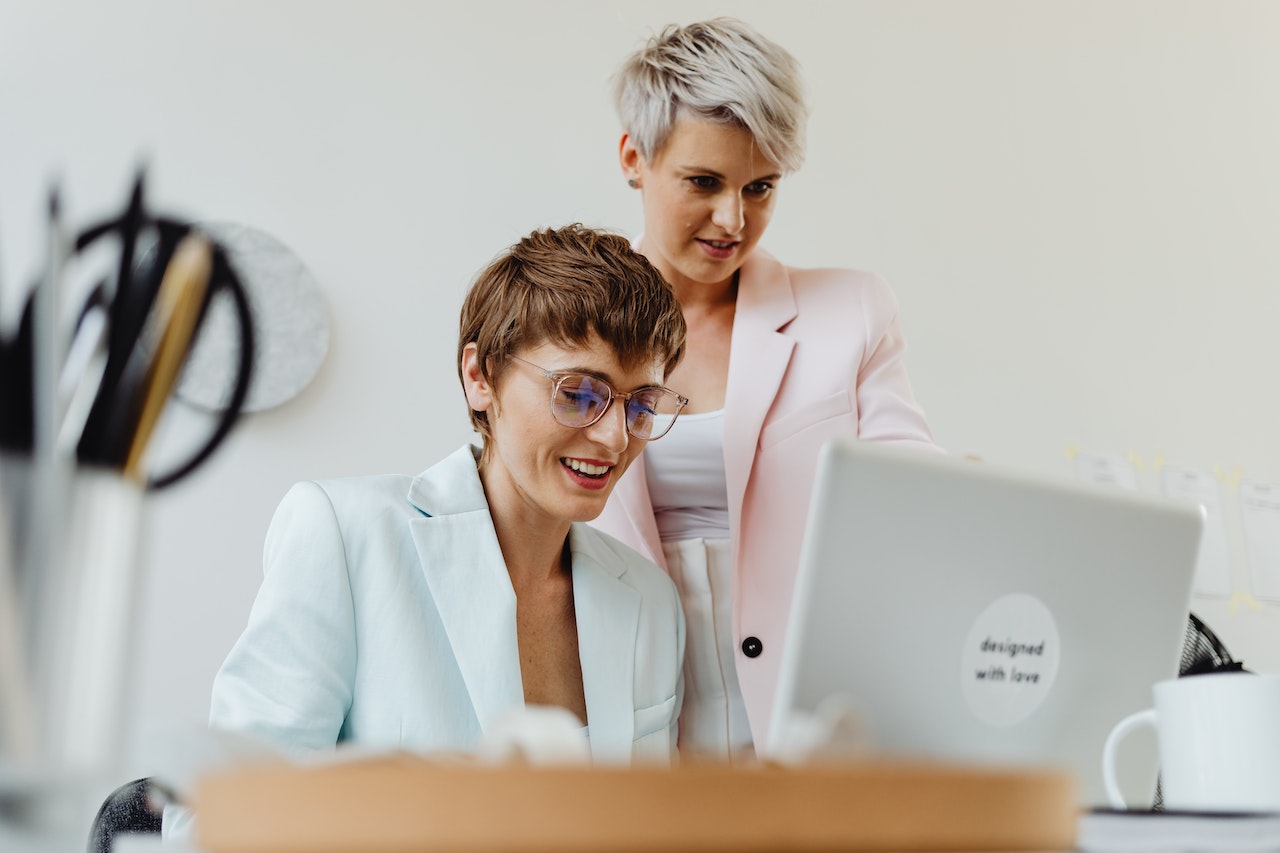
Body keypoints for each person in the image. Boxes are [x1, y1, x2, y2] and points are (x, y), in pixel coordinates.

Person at [163, 224, 690, 839]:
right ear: (480, 375)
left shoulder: (650, 602)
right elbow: (214, 823)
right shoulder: (346, 536)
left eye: (640, 405)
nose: (614, 438)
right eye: (578, 393)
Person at [592, 18, 941, 763]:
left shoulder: (851, 312)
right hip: (631, 720)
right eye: (704, 182)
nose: (733, 220)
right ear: (634, 157)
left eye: (761, 187)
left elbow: (915, 495)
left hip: (810, 721)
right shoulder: (568, 329)